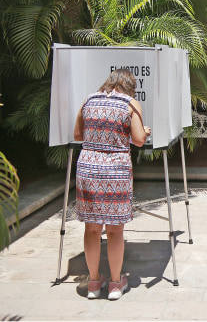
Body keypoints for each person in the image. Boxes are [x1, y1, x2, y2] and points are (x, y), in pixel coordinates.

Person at [73, 69, 151, 300]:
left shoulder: (89, 99)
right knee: (115, 230)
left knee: (92, 228)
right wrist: (143, 132)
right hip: (115, 170)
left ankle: (94, 283)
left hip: (88, 167)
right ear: (130, 86)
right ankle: (116, 284)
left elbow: (78, 135)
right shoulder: (130, 104)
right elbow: (138, 140)